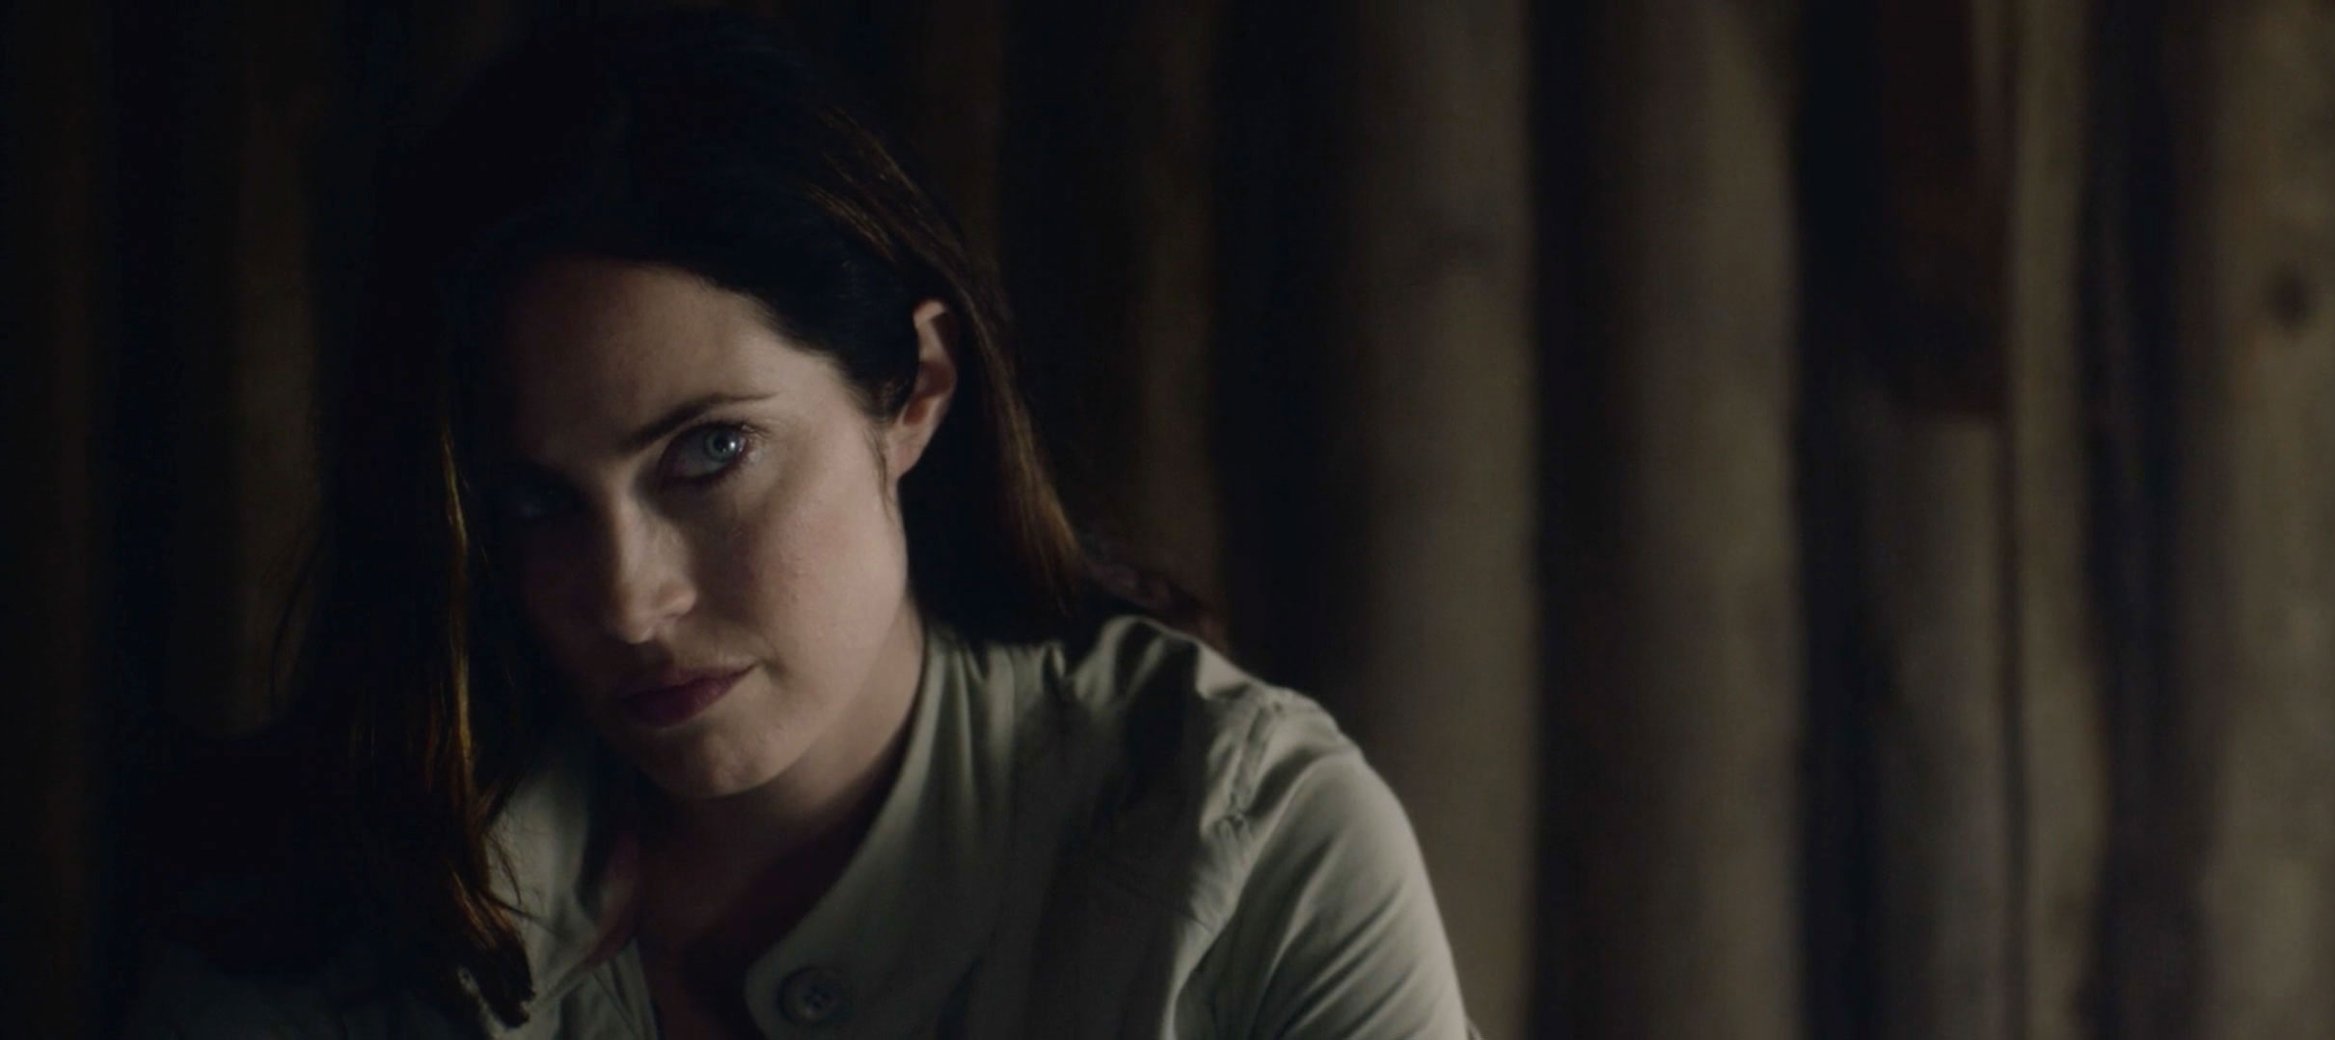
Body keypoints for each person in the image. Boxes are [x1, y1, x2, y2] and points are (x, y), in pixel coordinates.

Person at [128, 9, 1472, 1039]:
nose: (627, 599)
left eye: (711, 453)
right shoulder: (324, 912)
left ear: (914, 391)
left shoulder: (1250, 852)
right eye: (536, 498)